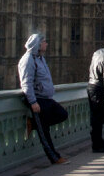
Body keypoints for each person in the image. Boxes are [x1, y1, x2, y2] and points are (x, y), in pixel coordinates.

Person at [20, 33, 69, 165]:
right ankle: (54, 158)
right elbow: (26, 83)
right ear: (38, 44)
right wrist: (32, 102)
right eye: (44, 42)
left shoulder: (40, 58)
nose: (47, 44)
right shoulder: (28, 60)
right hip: (38, 100)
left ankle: (34, 124)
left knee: (63, 114)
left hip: (46, 98)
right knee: (44, 133)